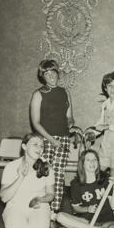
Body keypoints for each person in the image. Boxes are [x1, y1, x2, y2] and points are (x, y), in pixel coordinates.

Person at [29, 59, 76, 212]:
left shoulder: (65, 92)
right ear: (42, 76)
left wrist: (70, 124)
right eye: (47, 74)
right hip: (45, 139)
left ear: (57, 73)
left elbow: (70, 116)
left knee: (59, 174)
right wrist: (51, 139)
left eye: (53, 72)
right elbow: (35, 122)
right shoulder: (38, 94)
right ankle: (40, 207)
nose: (51, 76)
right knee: (43, 172)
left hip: (62, 139)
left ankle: (54, 211)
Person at [53, 149, 114, 228]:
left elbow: (113, 206)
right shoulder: (76, 184)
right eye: (88, 160)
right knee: (60, 216)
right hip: (86, 222)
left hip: (106, 221)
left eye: (95, 160)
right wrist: (87, 209)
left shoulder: (105, 180)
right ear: (83, 164)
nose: (92, 163)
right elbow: (76, 208)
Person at [0, 133, 54, 228]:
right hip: (16, 206)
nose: (39, 148)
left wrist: (40, 199)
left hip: (38, 206)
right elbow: (4, 198)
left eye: (42, 146)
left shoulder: (47, 167)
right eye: (35, 144)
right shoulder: (11, 166)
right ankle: (17, 221)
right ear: (24, 146)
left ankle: (36, 222)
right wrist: (20, 178)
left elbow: (51, 194)